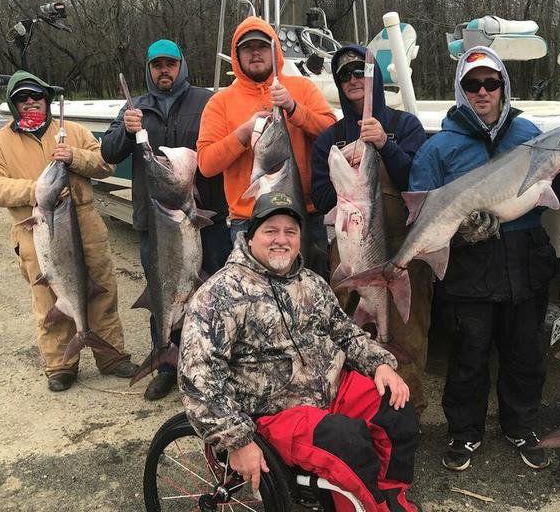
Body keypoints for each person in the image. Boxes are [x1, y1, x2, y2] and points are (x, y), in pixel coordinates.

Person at [179, 191, 421, 512]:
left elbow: (344, 331)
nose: (282, 239)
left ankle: (391, 499)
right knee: (347, 443)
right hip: (272, 413)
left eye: (290, 231)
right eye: (271, 231)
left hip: (330, 389)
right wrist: (235, 441)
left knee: (398, 409)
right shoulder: (220, 295)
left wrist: (379, 365)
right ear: (250, 237)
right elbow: (198, 379)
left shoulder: (312, 282)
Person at [408, 46, 560, 472]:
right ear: (460, 90)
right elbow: (420, 210)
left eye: (491, 83)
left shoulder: (530, 135)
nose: (482, 91)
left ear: (503, 88)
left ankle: (521, 427)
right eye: (472, 84)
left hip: (524, 263)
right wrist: (463, 234)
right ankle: (463, 433)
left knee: (525, 354)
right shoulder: (439, 149)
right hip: (470, 271)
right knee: (468, 357)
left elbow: (551, 201)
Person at [0, 71, 136, 392]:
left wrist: (75, 157)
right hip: (38, 238)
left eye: (36, 96)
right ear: (13, 104)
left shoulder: (72, 131)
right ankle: (61, 364)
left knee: (101, 292)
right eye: (22, 98)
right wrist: (35, 191)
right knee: (50, 301)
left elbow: (105, 164)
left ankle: (112, 355)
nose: (30, 102)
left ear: (47, 100)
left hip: (88, 233)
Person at [101, 39, 229, 401]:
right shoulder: (135, 106)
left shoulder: (207, 101)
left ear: (181, 66)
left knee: (213, 291)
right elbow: (108, 151)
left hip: (207, 219)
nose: (164, 71)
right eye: (157, 65)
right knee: (163, 293)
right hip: (154, 221)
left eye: (170, 64)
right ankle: (167, 363)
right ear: (149, 69)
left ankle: (213, 360)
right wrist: (126, 131)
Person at [311, 45, 433, 416]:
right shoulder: (328, 139)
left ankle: (405, 418)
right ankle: (354, 413)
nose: (352, 80)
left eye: (359, 72)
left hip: (403, 251)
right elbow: (319, 197)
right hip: (351, 251)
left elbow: (419, 181)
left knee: (407, 337)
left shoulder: (404, 126)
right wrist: (344, 179)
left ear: (375, 77)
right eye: (344, 75)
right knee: (347, 335)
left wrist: (384, 145)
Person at [196, 17, 336, 268]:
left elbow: (331, 131)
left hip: (303, 217)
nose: (255, 53)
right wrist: (242, 135)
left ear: (275, 50)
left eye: (262, 46)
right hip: (247, 222)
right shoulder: (221, 102)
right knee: (254, 304)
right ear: (236, 55)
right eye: (247, 48)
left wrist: (294, 108)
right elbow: (206, 164)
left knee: (309, 297)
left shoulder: (302, 88)